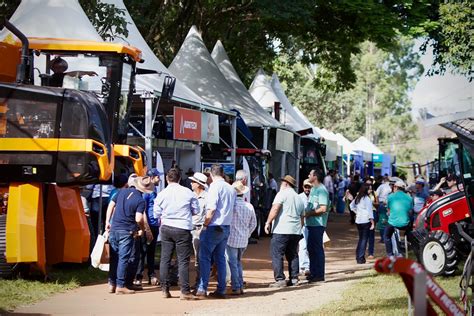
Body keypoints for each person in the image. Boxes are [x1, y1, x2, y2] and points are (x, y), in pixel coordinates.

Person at [154, 168, 199, 300]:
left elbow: (156, 213)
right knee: (183, 260)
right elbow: (196, 210)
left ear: (167, 179)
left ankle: (164, 289)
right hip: (182, 228)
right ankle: (184, 291)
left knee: (165, 259)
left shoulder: (161, 194)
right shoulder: (188, 193)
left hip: (166, 227)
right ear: (179, 178)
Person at [107, 176, 154, 295]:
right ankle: (121, 285)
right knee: (124, 258)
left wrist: (108, 221)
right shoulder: (140, 200)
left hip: (114, 229)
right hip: (127, 231)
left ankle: (111, 284)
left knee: (114, 258)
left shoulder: (121, 192)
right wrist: (142, 229)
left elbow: (111, 205)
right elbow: (138, 218)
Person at [196, 164, 236, 299]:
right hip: (226, 226)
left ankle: (202, 288)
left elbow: (211, 209)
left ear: (211, 174)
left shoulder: (214, 187)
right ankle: (221, 289)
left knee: (205, 257)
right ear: (223, 174)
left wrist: (205, 225)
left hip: (214, 226)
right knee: (220, 258)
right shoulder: (231, 188)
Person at [264, 175, 304, 288]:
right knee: (293, 254)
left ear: (285, 183)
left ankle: (280, 279)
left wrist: (268, 222)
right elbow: (302, 217)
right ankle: (294, 278)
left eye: (282, 183)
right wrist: (299, 229)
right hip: (295, 230)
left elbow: (275, 208)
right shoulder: (298, 197)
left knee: (277, 254)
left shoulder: (282, 194)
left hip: (282, 229)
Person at [226, 181, 257, 295]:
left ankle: (236, 286)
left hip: (231, 238)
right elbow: (253, 224)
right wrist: (247, 233)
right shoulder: (249, 206)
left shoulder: (231, 206)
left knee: (233, 262)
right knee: (238, 262)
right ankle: (239, 284)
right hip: (243, 239)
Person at [134, 168, 161, 287]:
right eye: (157, 176)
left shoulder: (154, 190)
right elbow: (142, 211)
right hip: (147, 225)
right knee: (142, 251)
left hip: (154, 225)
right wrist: (147, 229)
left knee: (151, 251)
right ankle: (138, 276)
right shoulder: (145, 193)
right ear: (151, 178)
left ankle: (152, 275)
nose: (159, 178)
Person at [304, 169, 329, 282]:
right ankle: (313, 273)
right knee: (311, 249)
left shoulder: (322, 190)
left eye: (310, 174)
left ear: (315, 176)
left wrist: (309, 213)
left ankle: (319, 274)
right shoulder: (314, 189)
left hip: (318, 224)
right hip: (311, 224)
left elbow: (323, 208)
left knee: (317, 249)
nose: (308, 175)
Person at [188, 172, 208, 288]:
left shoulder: (207, 197)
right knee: (183, 256)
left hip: (199, 229)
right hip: (188, 228)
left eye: (194, 182)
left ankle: (198, 283)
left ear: (199, 184)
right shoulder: (189, 195)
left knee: (198, 259)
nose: (191, 183)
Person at [384, 180, 413, 256]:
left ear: (396, 187)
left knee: (386, 236)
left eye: (394, 186)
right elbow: (410, 211)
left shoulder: (390, 196)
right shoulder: (409, 198)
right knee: (409, 227)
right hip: (405, 224)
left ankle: (390, 255)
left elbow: (389, 210)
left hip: (393, 223)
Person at [350, 184, 375, 264]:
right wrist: (372, 222)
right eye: (369, 189)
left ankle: (359, 257)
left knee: (361, 239)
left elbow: (351, 205)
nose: (370, 191)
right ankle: (360, 258)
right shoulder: (367, 199)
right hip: (365, 221)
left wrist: (357, 212)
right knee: (364, 240)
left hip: (358, 221)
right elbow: (370, 211)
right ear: (365, 190)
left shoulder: (358, 197)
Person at [298, 179, 312, 276]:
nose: (307, 189)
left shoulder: (314, 197)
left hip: (312, 225)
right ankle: (302, 266)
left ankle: (307, 266)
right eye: (305, 187)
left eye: (309, 187)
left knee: (309, 246)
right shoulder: (299, 197)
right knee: (302, 246)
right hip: (301, 225)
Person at [375, 176, 392, 242]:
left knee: (382, 221)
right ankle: (388, 237)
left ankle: (383, 238)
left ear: (384, 180)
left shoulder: (381, 186)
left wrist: (378, 203)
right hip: (391, 205)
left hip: (382, 204)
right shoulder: (392, 187)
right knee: (389, 221)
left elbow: (376, 194)